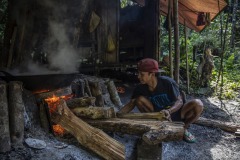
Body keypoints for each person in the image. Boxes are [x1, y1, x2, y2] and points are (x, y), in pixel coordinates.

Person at [118, 58, 203, 143]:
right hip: (158, 116)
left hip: (177, 113)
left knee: (198, 104)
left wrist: (169, 111)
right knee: (139, 100)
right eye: (138, 73)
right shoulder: (140, 88)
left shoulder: (167, 82)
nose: (138, 76)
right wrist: (116, 116)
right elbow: (130, 104)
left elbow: (180, 101)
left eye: (142, 74)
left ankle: (184, 128)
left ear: (152, 74)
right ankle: (154, 125)